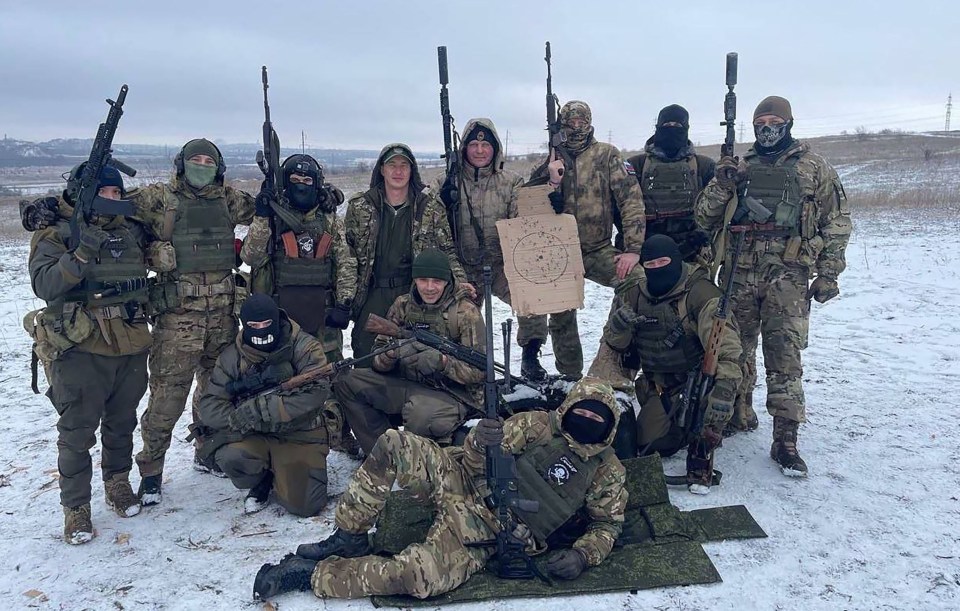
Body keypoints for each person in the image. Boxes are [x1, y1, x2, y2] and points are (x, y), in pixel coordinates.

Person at [252, 377, 627, 601]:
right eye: (583, 410)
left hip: (493, 531)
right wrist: (481, 441)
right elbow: (476, 458)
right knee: (393, 443)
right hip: (460, 480)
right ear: (569, 407)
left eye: (597, 417)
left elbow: (606, 527)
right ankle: (348, 535)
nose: (587, 419)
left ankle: (308, 576)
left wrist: (582, 556)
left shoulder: (607, 472)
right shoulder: (537, 425)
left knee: (419, 577)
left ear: (609, 425)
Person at [695, 96, 852, 476]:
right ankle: (738, 416)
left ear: (789, 123)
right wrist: (721, 183)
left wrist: (829, 271)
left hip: (788, 276)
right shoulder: (740, 168)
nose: (767, 128)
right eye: (761, 121)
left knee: (784, 359)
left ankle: (785, 439)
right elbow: (704, 218)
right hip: (739, 273)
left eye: (774, 121)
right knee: (735, 352)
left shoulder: (813, 167)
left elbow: (837, 220)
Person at [26, 164, 151, 544]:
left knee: (121, 422)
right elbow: (44, 284)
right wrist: (79, 255)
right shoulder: (57, 234)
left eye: (118, 194)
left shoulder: (129, 231)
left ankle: (117, 482)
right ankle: (76, 509)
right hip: (80, 348)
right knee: (77, 433)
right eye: (106, 194)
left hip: (129, 343)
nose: (114, 201)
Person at [129, 138, 255, 501]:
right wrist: (152, 253)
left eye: (208, 160)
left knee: (216, 392)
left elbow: (267, 209)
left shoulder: (228, 199)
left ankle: (207, 451)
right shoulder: (159, 198)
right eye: (195, 160)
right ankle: (151, 470)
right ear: (182, 164)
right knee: (167, 399)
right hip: (178, 321)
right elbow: (115, 217)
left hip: (223, 318)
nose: (202, 165)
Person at [587, 235, 742, 493]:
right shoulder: (635, 293)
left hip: (700, 379)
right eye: (652, 264)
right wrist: (619, 327)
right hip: (660, 384)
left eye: (664, 262)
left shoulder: (701, 294)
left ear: (677, 261)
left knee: (712, 407)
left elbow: (727, 350)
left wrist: (724, 392)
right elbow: (614, 348)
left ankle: (705, 438)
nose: (658, 268)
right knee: (654, 443)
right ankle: (675, 425)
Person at [533, 100, 646, 380]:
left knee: (637, 283)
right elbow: (528, 205)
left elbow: (631, 200)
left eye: (582, 122)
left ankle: (613, 359)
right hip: (560, 253)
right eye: (570, 123)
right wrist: (551, 182)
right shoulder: (550, 159)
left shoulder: (606, 155)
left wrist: (632, 249)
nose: (576, 128)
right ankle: (569, 377)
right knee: (561, 316)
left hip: (598, 249)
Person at [334, 249, 484, 453]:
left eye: (437, 281)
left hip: (449, 393)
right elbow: (378, 355)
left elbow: (479, 372)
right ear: (415, 279)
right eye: (423, 280)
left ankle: (417, 463)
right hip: (406, 383)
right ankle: (383, 453)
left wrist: (442, 362)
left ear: (447, 281)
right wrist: (391, 355)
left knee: (419, 414)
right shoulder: (403, 305)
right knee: (346, 382)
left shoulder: (466, 312)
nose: (429, 287)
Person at [196, 294, 332, 516]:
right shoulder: (231, 358)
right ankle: (263, 478)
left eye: (267, 324)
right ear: (244, 325)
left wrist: (264, 409)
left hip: (299, 433)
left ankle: (283, 473)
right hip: (255, 435)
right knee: (230, 458)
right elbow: (210, 406)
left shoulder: (304, 347)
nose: (261, 330)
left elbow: (318, 392)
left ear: (277, 321)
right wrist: (240, 416)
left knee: (306, 507)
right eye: (253, 325)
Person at [434, 119, 550, 377]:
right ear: (463, 148)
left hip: (501, 264)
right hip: (462, 266)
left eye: (485, 144)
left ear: (495, 148)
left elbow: (521, 222)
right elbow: (429, 219)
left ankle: (530, 355)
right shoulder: (446, 182)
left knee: (533, 296)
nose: (479, 150)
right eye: (473, 144)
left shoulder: (511, 182)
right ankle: (467, 368)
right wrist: (441, 201)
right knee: (460, 319)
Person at [344, 143, 467, 360]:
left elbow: (446, 250)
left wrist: (460, 282)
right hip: (373, 292)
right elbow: (347, 253)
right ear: (382, 169)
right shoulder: (361, 206)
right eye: (392, 165)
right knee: (366, 354)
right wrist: (344, 298)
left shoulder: (429, 208)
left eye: (404, 165)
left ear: (412, 170)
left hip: (413, 293)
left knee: (414, 353)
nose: (398, 171)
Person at [240, 153, 354, 363]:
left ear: (317, 184)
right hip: (282, 318)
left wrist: (344, 304)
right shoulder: (274, 217)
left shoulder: (328, 219)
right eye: (295, 180)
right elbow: (250, 257)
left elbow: (345, 262)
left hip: (323, 316)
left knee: (330, 376)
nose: (301, 185)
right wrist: (263, 216)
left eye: (307, 180)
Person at [626, 104, 715, 263]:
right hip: (646, 251)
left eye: (678, 126)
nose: (672, 129)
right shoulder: (636, 165)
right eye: (667, 125)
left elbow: (715, 209)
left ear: (686, 129)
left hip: (692, 250)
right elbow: (621, 208)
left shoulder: (704, 166)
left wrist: (700, 237)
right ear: (658, 128)